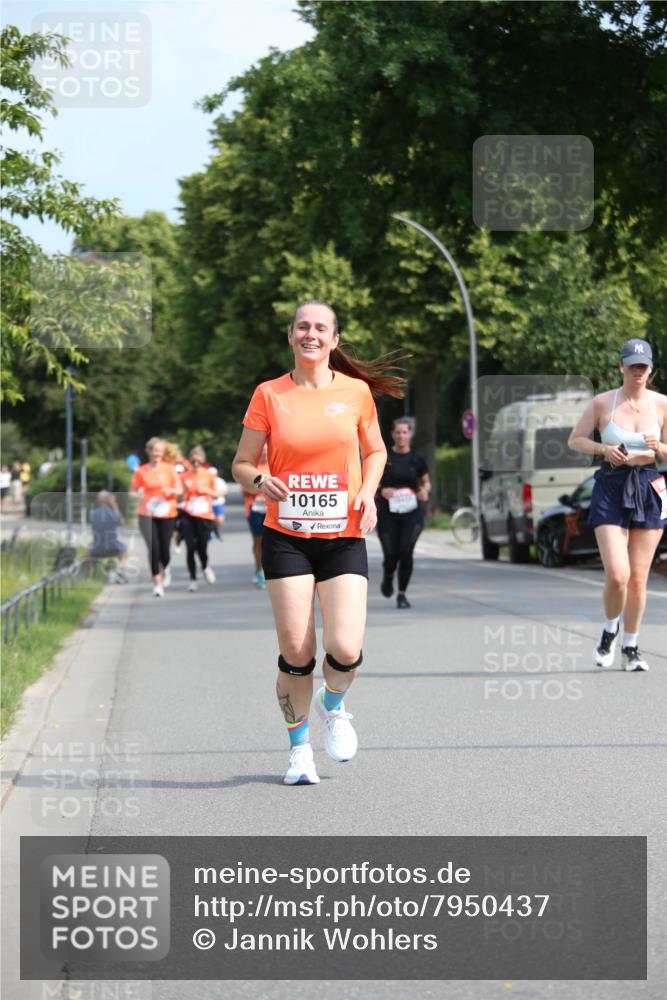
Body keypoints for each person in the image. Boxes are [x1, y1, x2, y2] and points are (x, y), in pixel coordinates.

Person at [232, 300, 403, 785]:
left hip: (343, 533)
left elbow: (375, 449)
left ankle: (335, 703)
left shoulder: (356, 392)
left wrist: (368, 492)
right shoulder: (269, 394)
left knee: (345, 647)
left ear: (334, 339)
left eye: (320, 327)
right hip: (286, 535)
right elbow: (241, 463)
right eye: (303, 326)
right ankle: (299, 749)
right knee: (297, 651)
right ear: (291, 336)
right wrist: (261, 480)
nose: (311, 334)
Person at [568, 338, 666, 672]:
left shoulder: (662, 404)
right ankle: (610, 631)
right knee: (618, 575)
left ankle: (632, 646)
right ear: (621, 366)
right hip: (610, 485)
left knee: (639, 578)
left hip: (649, 487)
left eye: (643, 366)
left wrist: (661, 447)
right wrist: (604, 449)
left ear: (651, 369)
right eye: (632, 365)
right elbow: (575, 439)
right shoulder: (602, 403)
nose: (638, 372)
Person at [376, 418, 431, 609]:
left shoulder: (417, 458)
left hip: (412, 511)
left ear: (410, 435)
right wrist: (382, 490)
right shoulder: (384, 457)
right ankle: (389, 573)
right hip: (388, 512)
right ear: (392, 434)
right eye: (398, 432)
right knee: (391, 555)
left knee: (406, 550)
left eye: (405, 432)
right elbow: (372, 481)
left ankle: (402, 594)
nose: (401, 436)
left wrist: (425, 491)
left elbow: (426, 482)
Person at [129, 438, 182, 597]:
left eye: (160, 451)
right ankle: (157, 582)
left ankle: (165, 567)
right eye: (155, 450)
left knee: (164, 549)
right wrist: (137, 494)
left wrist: (171, 491)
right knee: (153, 548)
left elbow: (179, 490)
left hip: (167, 512)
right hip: (147, 513)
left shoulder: (169, 469)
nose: (157, 454)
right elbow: (131, 491)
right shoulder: (141, 470)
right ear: (149, 451)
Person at [181, 446, 219, 592]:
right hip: (188, 514)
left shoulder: (208, 475)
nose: (196, 463)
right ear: (189, 461)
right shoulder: (184, 476)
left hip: (204, 515)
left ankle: (205, 566)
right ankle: (192, 579)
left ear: (203, 460)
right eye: (193, 461)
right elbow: (178, 497)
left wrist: (207, 490)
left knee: (202, 546)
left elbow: (216, 494)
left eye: (198, 461)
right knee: (190, 547)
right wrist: (184, 489)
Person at [243, 443, 270, 588]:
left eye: (267, 451)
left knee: (270, 542)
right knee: (258, 542)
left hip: (271, 509)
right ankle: (259, 571)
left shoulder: (274, 465)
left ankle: (270, 570)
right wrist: (259, 489)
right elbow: (244, 489)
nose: (264, 454)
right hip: (254, 509)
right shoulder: (252, 469)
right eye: (262, 451)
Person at [88, 491, 128, 582]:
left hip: (96, 549)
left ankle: (90, 575)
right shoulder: (114, 513)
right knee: (124, 548)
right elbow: (121, 522)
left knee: (89, 549)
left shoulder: (92, 513)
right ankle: (120, 570)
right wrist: (115, 507)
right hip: (114, 547)